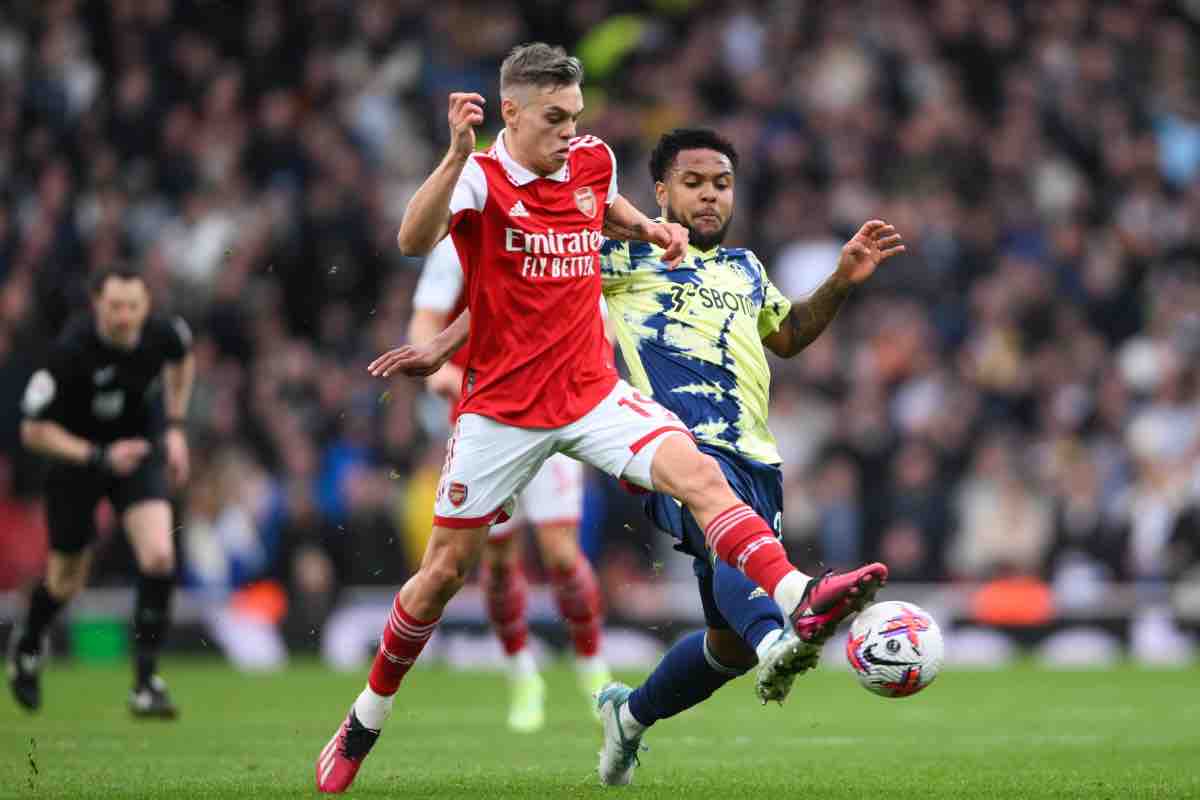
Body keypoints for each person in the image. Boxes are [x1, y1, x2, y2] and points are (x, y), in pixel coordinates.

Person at [317, 43, 884, 794]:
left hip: (590, 392)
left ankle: (794, 597)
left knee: (698, 475)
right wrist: (455, 157)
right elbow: (412, 240)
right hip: (504, 409)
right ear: (510, 113)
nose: (569, 132)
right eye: (553, 118)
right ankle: (364, 718)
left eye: (576, 116)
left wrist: (645, 228)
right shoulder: (481, 180)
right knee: (442, 576)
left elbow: (599, 215)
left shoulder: (591, 163)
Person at [592, 128, 906, 784]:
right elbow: (547, 277)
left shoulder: (745, 268)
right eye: (694, 182)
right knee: (736, 556)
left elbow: (787, 338)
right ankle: (781, 639)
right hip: (672, 446)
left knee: (725, 647)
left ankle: (630, 716)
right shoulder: (626, 259)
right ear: (661, 192)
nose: (709, 196)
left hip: (757, 461)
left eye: (721, 184)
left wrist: (843, 280)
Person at [409, 237, 612, 732]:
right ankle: (522, 673)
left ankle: (592, 667)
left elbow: (596, 321)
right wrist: (453, 380)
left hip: (554, 415)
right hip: (489, 428)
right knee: (497, 564)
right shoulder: (457, 251)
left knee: (561, 553)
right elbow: (423, 328)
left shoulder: (555, 241)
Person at [7, 264, 195, 718]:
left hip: (136, 454)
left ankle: (145, 682)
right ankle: (28, 642)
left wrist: (174, 426)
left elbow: (183, 357)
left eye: (133, 306)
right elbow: (32, 430)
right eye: (114, 306)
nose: (124, 316)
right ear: (97, 305)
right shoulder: (69, 351)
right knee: (66, 581)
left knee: (158, 557)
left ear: (146, 305)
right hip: (78, 464)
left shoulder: (163, 332)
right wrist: (96, 456)